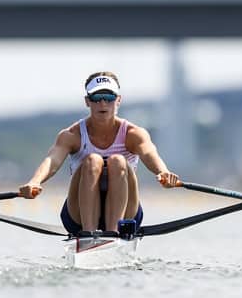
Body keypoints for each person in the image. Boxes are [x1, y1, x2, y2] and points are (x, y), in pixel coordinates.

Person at [19, 71, 180, 235]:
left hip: (125, 215)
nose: (103, 103)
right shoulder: (72, 135)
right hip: (78, 216)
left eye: (109, 97)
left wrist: (163, 173)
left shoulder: (133, 133)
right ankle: (88, 233)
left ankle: (113, 232)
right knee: (92, 160)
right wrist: (34, 182)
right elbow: (51, 162)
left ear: (118, 100)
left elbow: (149, 154)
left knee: (117, 161)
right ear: (87, 101)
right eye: (96, 97)